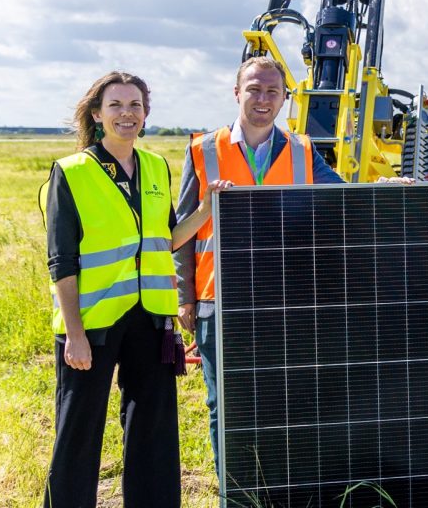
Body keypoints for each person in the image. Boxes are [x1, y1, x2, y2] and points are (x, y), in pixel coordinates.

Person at [173, 56, 410, 485]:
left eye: (272, 92)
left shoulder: (302, 150)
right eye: (254, 90)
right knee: (224, 403)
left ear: (285, 98)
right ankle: (236, 488)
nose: (263, 99)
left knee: (287, 399)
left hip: (286, 299)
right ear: (236, 92)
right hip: (218, 299)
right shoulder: (202, 150)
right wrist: (184, 297)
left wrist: (382, 189)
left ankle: (283, 485)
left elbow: (342, 195)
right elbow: (183, 231)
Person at [41, 71, 225, 507]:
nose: (127, 114)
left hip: (151, 319)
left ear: (146, 114)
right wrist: (76, 335)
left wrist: (205, 208)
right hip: (93, 323)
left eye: (135, 106)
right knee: (78, 432)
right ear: (97, 113)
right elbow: (61, 261)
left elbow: (167, 238)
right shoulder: (72, 172)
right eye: (117, 105)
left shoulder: (157, 166)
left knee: (154, 430)